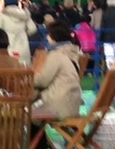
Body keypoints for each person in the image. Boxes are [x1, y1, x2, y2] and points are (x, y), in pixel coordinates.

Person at [33, 20, 82, 148]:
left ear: (54, 37)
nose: (47, 37)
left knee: (29, 116)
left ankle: (38, 146)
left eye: (48, 34)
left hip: (57, 107)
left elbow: (42, 81)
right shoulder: (72, 53)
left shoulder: (56, 54)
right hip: (72, 105)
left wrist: (28, 80)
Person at [0, 0, 37, 66]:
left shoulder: (3, 15)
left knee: (9, 67)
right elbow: (33, 29)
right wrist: (25, 34)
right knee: (24, 67)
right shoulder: (24, 14)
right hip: (23, 44)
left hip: (8, 44)